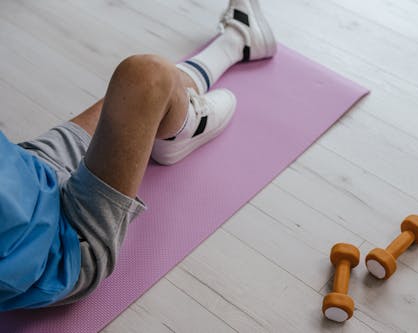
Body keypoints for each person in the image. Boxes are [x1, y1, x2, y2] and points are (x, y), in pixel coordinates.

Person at [0, 0, 276, 311]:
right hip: (63, 246)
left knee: (137, 89)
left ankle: (234, 48)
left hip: (26, 172)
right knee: (148, 76)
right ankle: (189, 118)